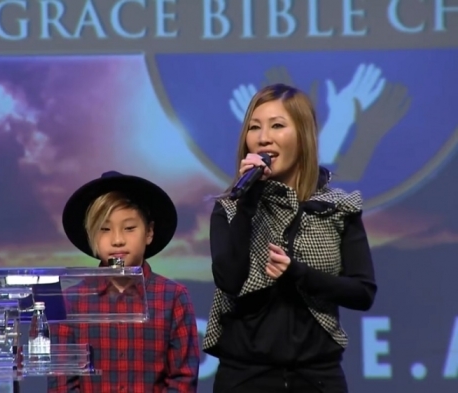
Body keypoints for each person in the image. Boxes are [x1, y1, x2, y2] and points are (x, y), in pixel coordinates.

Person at [204, 84, 377, 392]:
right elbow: (229, 279)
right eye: (254, 128)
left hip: (317, 378)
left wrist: (297, 274)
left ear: (304, 137)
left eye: (277, 126)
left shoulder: (338, 208)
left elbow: (362, 292)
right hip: (244, 378)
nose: (263, 137)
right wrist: (248, 202)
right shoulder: (230, 209)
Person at [47, 171, 200, 392]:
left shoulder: (173, 297)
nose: (118, 240)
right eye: (105, 229)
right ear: (92, 237)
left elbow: (182, 379)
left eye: (129, 228)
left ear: (149, 232)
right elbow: (62, 382)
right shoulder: (70, 301)